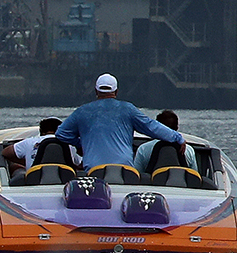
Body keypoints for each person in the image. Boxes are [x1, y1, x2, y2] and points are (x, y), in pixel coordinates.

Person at [53, 73, 184, 184]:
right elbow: (151, 127)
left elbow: (61, 133)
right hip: (124, 171)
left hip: (94, 170)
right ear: (116, 92)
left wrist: (80, 144)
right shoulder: (128, 109)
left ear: (96, 91)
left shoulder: (82, 112)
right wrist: (177, 137)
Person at [132, 109, 201, 186]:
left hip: (152, 190)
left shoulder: (143, 149)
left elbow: (137, 177)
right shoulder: (189, 150)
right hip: (181, 190)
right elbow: (194, 177)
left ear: (157, 127)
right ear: (177, 127)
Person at [7, 117, 78, 185]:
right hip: (66, 182)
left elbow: (5, 153)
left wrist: (25, 162)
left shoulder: (29, 142)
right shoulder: (70, 144)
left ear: (41, 130)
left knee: (15, 167)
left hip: (33, 181)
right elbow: (79, 164)